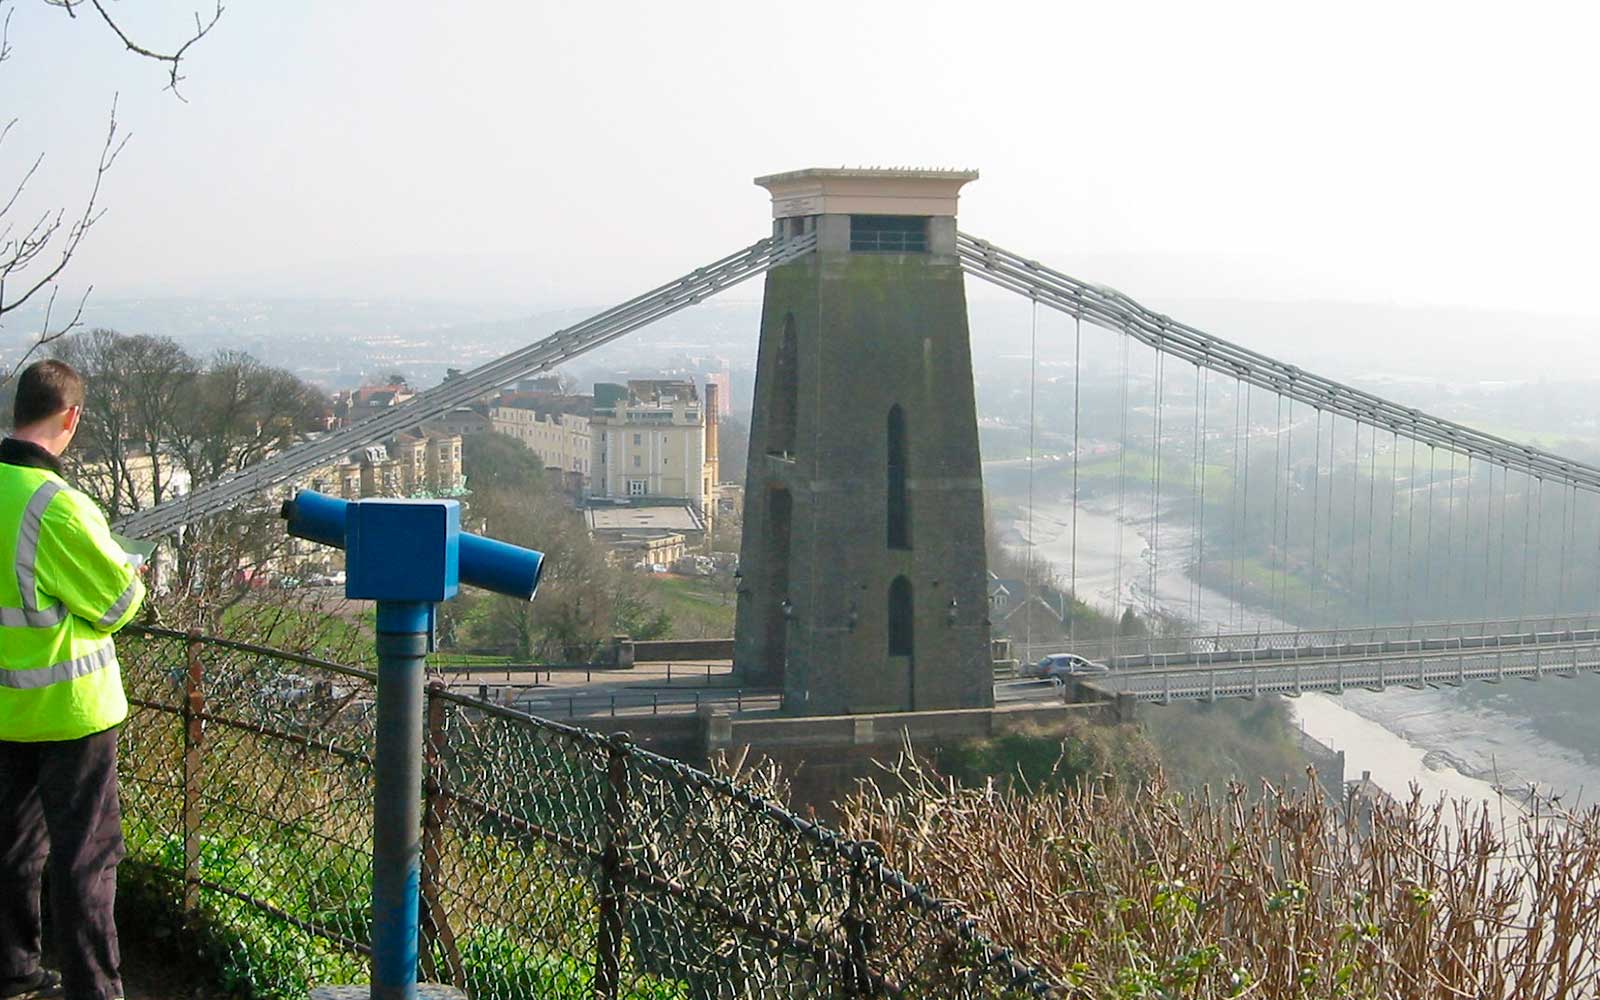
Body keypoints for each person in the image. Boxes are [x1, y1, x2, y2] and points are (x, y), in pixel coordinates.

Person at [0, 360, 145, 1000]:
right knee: (85, 860)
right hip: (71, 713)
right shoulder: (56, 506)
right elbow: (116, 604)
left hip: (3, 712)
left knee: (10, 851)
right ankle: (94, 991)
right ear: (71, 417)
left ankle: (12, 972)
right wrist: (131, 572)